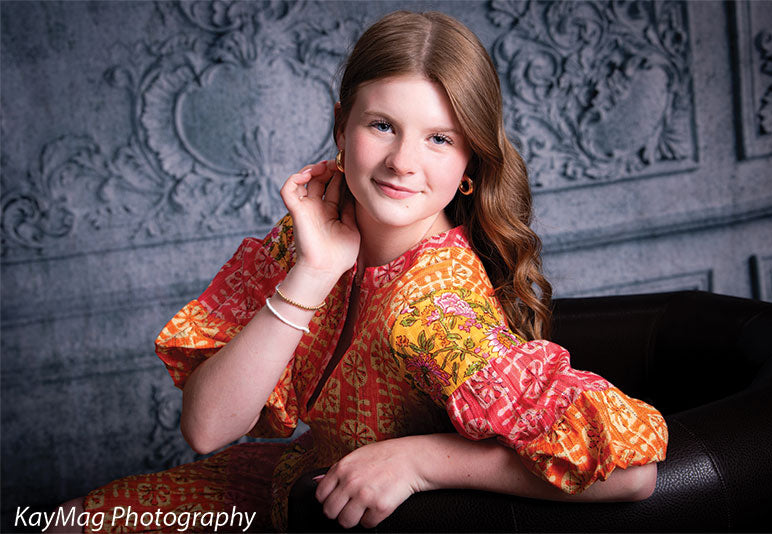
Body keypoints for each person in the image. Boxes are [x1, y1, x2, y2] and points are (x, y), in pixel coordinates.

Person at [50, 10, 667, 533]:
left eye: (440, 140)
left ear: (470, 162)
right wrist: (315, 271)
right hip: (292, 484)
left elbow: (633, 476)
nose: (403, 162)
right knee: (72, 521)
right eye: (382, 126)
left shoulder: (435, 304)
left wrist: (420, 461)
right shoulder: (313, 228)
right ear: (342, 124)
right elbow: (208, 427)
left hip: (363, 519)